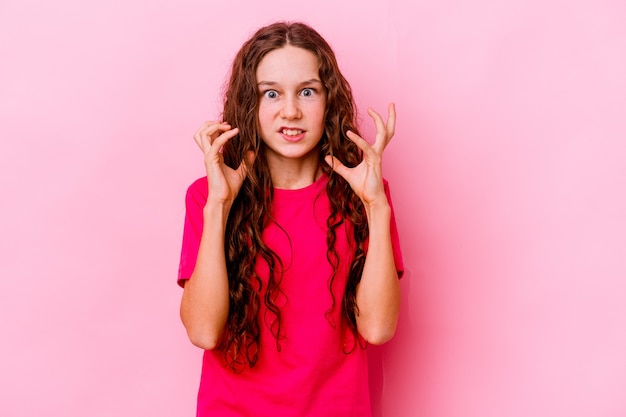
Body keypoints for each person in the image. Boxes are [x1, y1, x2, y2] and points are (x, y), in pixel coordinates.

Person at [177, 21, 404, 417]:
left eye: (307, 91)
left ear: (328, 99)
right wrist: (219, 206)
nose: (291, 111)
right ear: (250, 103)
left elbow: (378, 328)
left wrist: (376, 205)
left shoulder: (365, 193)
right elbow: (203, 331)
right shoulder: (207, 196)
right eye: (271, 93)